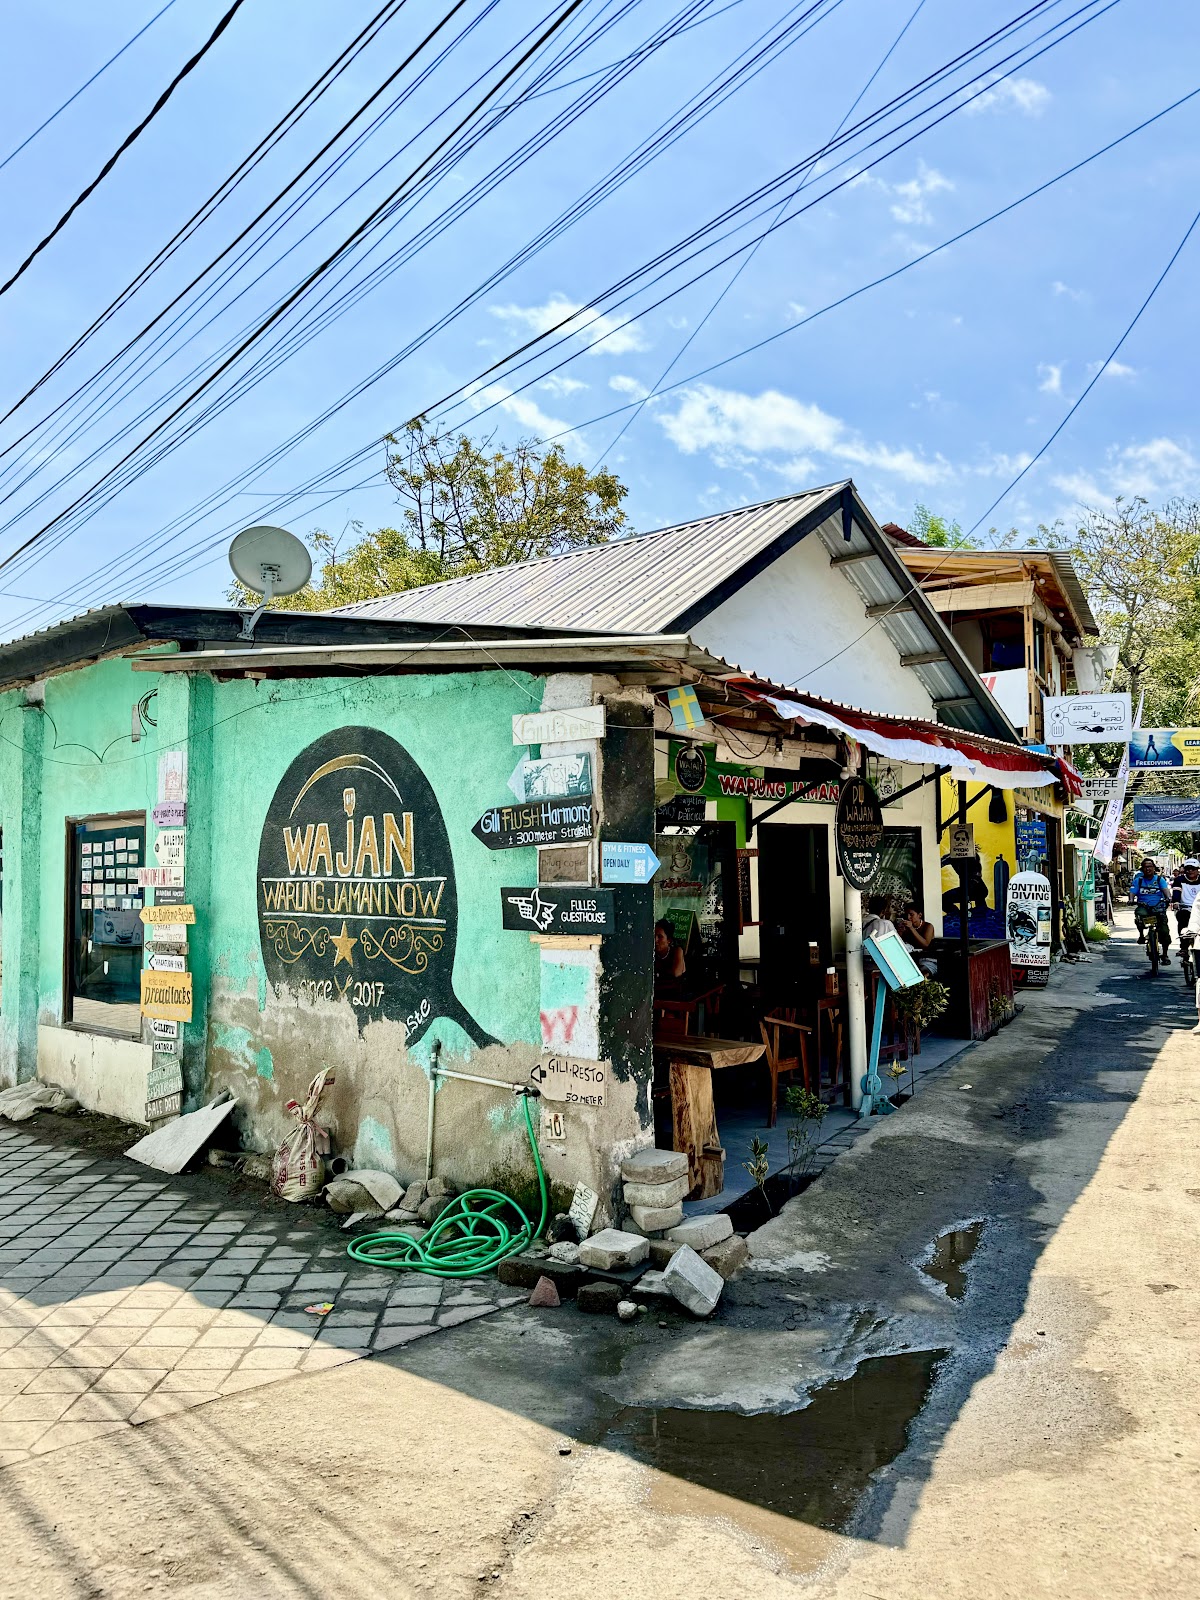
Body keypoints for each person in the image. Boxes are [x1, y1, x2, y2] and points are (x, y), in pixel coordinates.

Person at [1130, 856, 1172, 965]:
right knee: (1139, 917)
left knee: (1164, 932)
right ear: (1142, 869)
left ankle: (1165, 954)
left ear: (1154, 868)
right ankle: (1141, 935)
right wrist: (1131, 900)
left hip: (1158, 907)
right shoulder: (1138, 880)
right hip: (1143, 907)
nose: (1147, 869)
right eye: (1145, 867)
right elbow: (1133, 892)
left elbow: (1165, 890)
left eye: (1150, 866)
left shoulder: (1159, 879)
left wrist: (1168, 898)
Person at [899, 902, 938, 975]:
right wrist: (900, 932)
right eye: (906, 915)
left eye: (911, 915)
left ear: (919, 915)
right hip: (912, 959)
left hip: (928, 960)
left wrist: (911, 928)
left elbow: (925, 944)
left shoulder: (928, 926)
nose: (908, 917)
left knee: (922, 972)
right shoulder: (906, 928)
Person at [1171, 857, 1200, 944]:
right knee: (1183, 920)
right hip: (1185, 908)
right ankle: (1183, 947)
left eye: (1193, 869)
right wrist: (1176, 902)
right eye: (1187, 869)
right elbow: (1176, 893)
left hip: (1198, 908)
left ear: (1198, 870)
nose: (1190, 871)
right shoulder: (1179, 880)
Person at [654, 919, 686, 985]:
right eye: (654, 936)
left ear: (669, 940)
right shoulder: (653, 953)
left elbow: (676, 973)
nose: (655, 940)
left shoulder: (677, 951)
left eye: (660, 937)